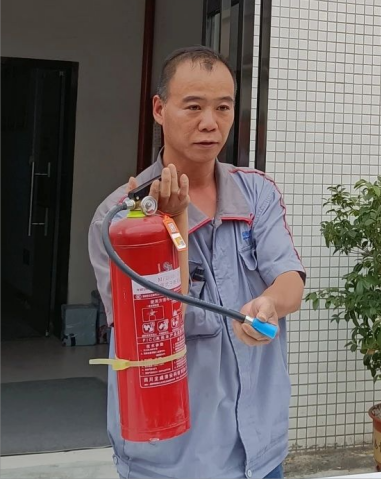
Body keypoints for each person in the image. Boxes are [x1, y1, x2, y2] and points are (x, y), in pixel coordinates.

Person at [89, 46, 305, 479]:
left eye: (223, 107)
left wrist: (269, 304)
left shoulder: (256, 193)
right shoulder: (120, 221)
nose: (210, 123)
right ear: (159, 109)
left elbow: (289, 280)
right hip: (174, 460)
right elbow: (157, 324)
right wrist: (174, 225)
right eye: (193, 107)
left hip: (260, 452)